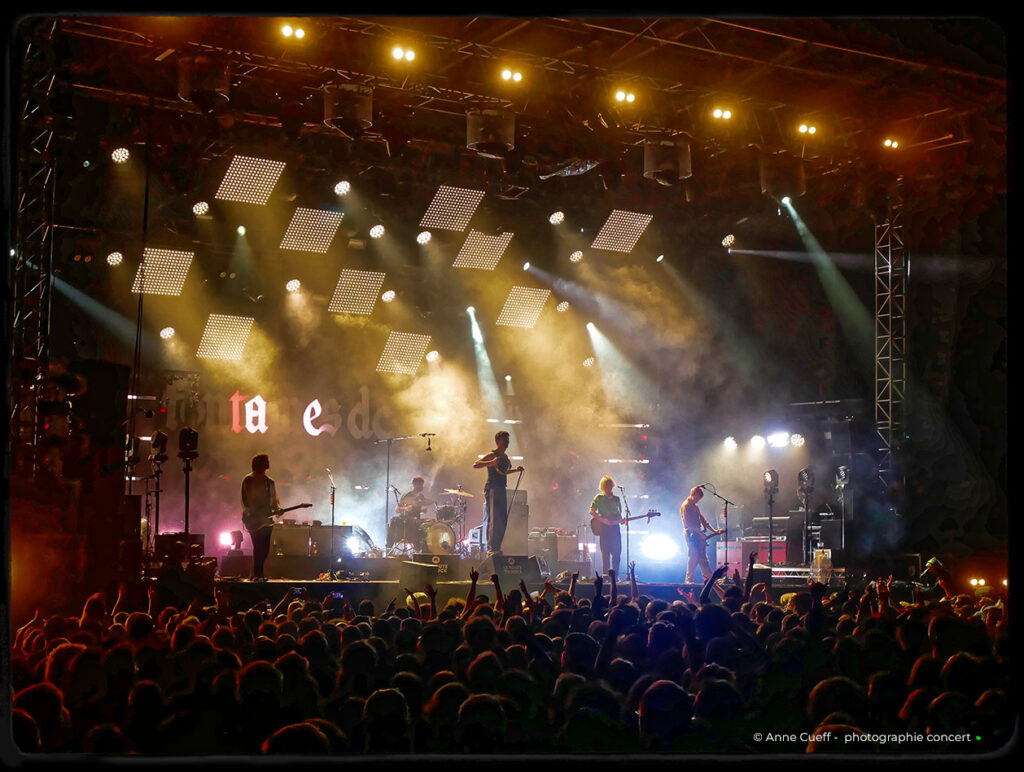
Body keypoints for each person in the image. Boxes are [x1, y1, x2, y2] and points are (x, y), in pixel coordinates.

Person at [472, 431, 523, 556]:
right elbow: (476, 464)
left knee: (502, 519)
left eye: (508, 441)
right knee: (494, 518)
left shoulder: (505, 456)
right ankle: (491, 548)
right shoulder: (492, 455)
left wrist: (516, 470)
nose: (507, 443)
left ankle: (497, 546)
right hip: (493, 488)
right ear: (498, 441)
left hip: (501, 488)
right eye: (505, 440)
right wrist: (491, 462)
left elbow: (504, 472)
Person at [241, 454, 281, 582]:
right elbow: (246, 501)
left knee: (265, 549)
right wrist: (255, 514)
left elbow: (274, 500)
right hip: (254, 520)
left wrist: (278, 509)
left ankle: (257, 574)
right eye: (265, 461)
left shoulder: (270, 482)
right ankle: (257, 575)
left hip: (267, 520)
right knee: (258, 547)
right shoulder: (249, 480)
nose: (268, 463)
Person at [681, 486, 721, 584]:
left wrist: (714, 531)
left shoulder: (694, 505)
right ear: (693, 494)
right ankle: (689, 580)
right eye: (698, 497)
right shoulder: (687, 505)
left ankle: (709, 578)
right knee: (694, 556)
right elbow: (689, 524)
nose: (698, 500)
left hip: (696, 533)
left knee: (702, 557)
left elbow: (702, 519)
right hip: (691, 534)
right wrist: (700, 533)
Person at [589, 476, 623, 576]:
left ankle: (615, 577)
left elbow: (619, 515)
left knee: (617, 555)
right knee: (605, 555)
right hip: (604, 530)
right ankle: (606, 578)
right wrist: (602, 520)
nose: (608, 487)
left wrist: (621, 520)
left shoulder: (616, 499)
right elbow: (591, 511)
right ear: (603, 487)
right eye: (606, 485)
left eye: (610, 485)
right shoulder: (599, 498)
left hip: (615, 529)